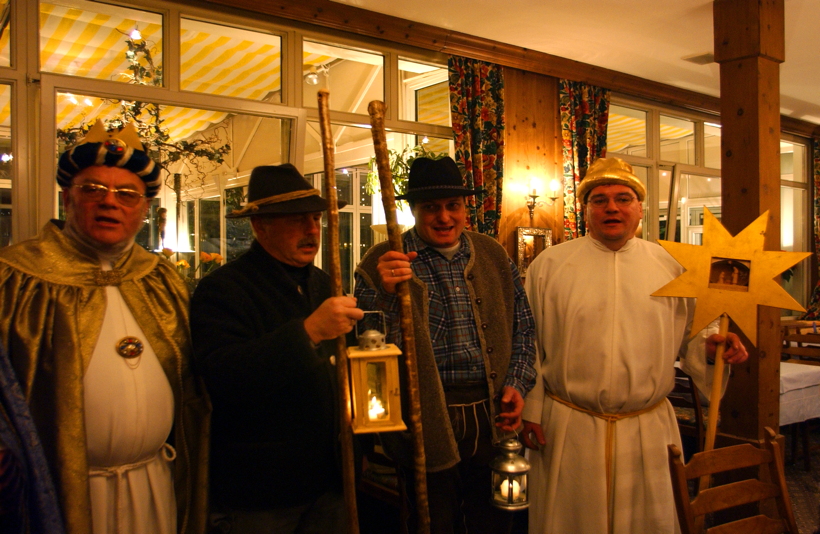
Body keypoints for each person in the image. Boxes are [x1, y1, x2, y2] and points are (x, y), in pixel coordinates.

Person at [0, 120, 210, 534]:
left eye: (127, 194)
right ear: (67, 198)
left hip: (155, 482)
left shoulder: (160, 278)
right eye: (93, 190)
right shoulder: (16, 278)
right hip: (66, 494)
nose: (110, 203)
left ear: (145, 209)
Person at [520, 156, 749, 534]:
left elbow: (694, 336)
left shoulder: (671, 268)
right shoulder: (549, 266)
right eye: (600, 199)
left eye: (623, 198)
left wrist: (712, 352)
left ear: (640, 209)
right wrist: (532, 409)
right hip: (569, 427)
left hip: (647, 428)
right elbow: (528, 344)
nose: (612, 207)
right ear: (586, 210)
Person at [354, 156, 536, 534]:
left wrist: (517, 384)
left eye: (453, 206)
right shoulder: (382, 261)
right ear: (412, 211)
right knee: (432, 522)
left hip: (492, 416)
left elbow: (524, 328)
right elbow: (365, 347)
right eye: (430, 208)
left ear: (465, 208)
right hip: (426, 421)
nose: (444, 217)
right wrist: (387, 296)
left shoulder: (492, 254)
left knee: (494, 522)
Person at [189, 164, 364, 534]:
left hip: (330, 481)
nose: (312, 230)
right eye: (296, 220)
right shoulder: (224, 288)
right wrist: (308, 332)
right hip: (261, 493)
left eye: (316, 219)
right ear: (260, 226)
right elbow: (223, 377)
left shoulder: (324, 283)